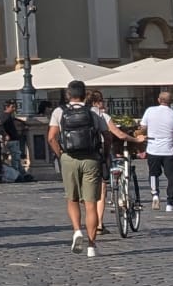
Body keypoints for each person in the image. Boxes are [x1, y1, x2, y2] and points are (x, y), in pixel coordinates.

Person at [47, 78, 120, 254]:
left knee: (72, 199)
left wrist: (61, 154)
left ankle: (77, 231)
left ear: (68, 95)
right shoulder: (94, 112)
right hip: (91, 158)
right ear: (84, 94)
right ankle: (91, 245)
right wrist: (104, 154)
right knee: (91, 204)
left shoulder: (59, 111)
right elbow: (108, 136)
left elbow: (51, 137)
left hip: (69, 158)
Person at [139, 90, 173, 212]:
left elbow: (143, 128)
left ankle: (155, 193)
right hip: (169, 150)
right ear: (171, 102)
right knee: (172, 178)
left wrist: (141, 145)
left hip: (153, 148)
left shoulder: (150, 111)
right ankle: (170, 203)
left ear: (158, 100)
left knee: (153, 174)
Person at [0, 101, 27, 183]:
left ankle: (21, 174)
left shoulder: (7, 116)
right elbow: (2, 126)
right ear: (7, 107)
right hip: (11, 139)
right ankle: (16, 175)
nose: (14, 109)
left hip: (11, 139)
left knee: (15, 157)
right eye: (12, 107)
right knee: (15, 157)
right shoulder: (5, 117)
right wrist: (6, 135)